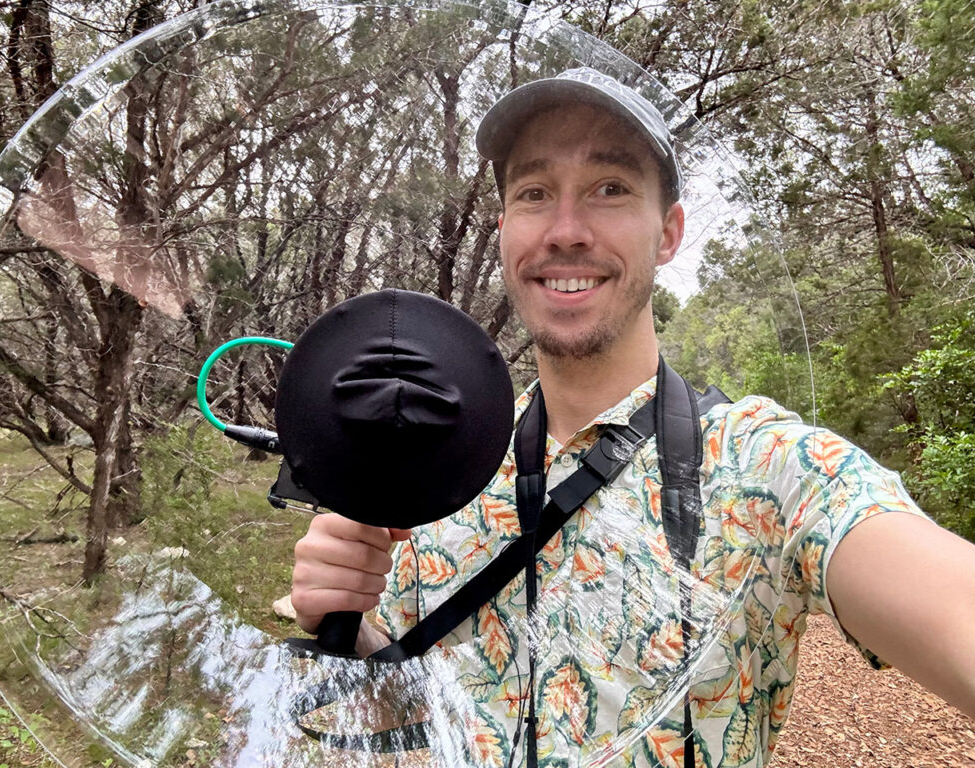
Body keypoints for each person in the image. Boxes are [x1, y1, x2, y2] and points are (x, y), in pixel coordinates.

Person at [289, 68, 975, 766]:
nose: (565, 230)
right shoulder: (436, 460)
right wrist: (354, 629)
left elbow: (954, 607)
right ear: (504, 232)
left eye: (609, 189)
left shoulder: (770, 469)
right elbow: (423, 717)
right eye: (533, 193)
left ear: (669, 233)